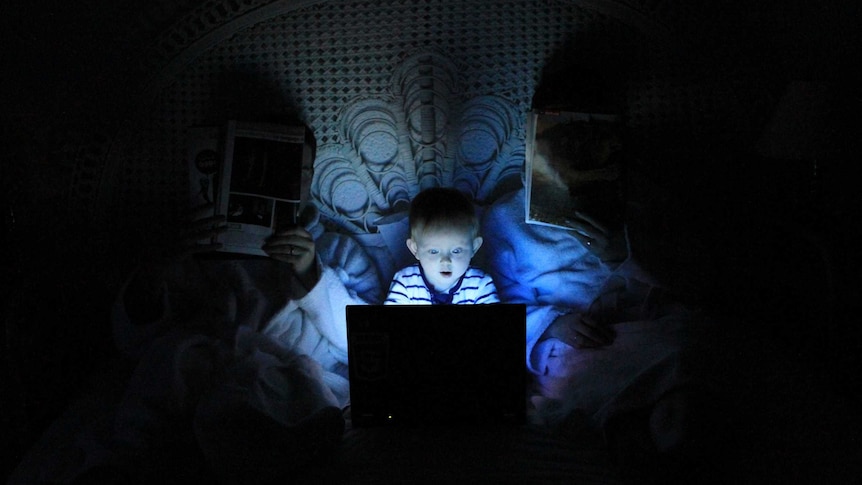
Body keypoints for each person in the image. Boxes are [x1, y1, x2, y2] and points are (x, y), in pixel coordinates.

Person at [73, 202, 382, 485]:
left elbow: (369, 348)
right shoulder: (189, 244)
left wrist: (311, 274)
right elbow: (134, 340)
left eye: (298, 167)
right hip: (202, 375)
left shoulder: (337, 249)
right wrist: (156, 271)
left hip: (292, 384)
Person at [384, 187, 499, 305]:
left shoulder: (480, 284)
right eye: (433, 251)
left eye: (456, 250)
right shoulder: (405, 282)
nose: (446, 261)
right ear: (415, 249)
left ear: (474, 247)